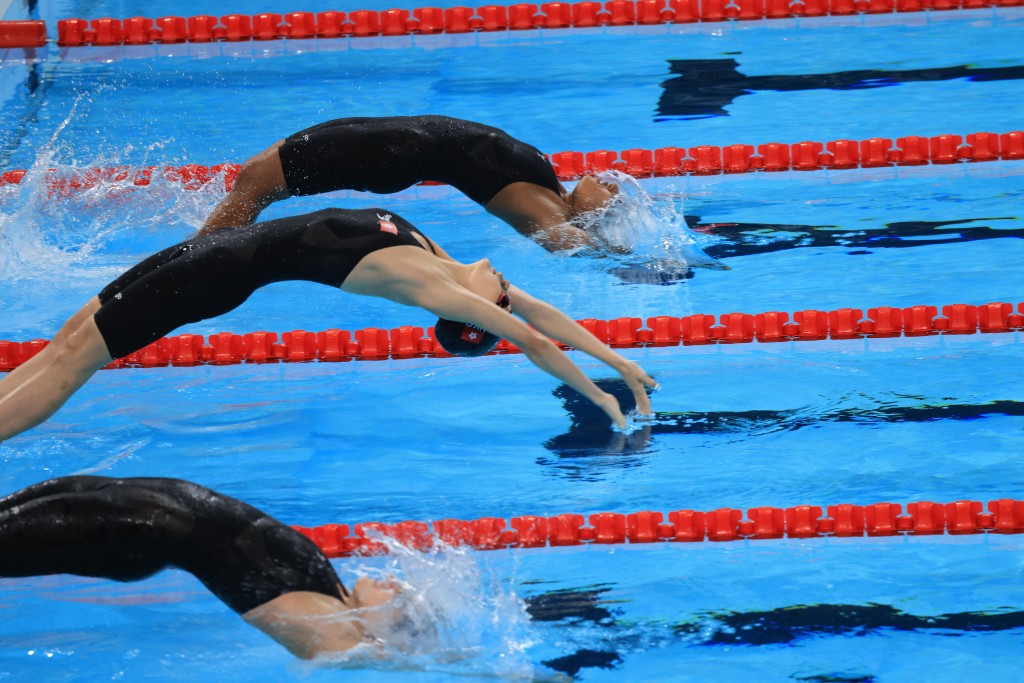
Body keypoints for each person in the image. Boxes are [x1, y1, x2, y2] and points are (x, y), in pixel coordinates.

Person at [0, 207, 656, 443]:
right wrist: (620, 362)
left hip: (213, 277)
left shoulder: (432, 286)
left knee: (74, 363)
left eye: (499, 303)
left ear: (470, 321)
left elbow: (531, 336)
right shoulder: (443, 262)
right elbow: (542, 316)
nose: (510, 287)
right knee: (68, 337)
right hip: (209, 253)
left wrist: (597, 396)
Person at [0, 475, 402, 659]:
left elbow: (386, 665)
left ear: (383, 633)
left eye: (405, 605)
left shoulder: (333, 636)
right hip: (145, 504)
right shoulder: (332, 592)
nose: (397, 586)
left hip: (143, 529)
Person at [199, 115, 619, 251]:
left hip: (407, 147)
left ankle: (197, 251)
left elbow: (563, 239)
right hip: (413, 145)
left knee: (249, 189)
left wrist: (618, 254)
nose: (605, 183)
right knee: (251, 186)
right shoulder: (536, 182)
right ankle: (202, 247)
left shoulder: (529, 183)